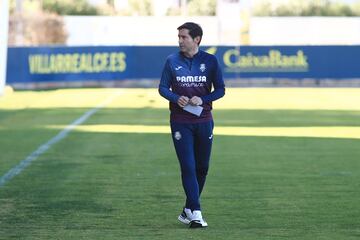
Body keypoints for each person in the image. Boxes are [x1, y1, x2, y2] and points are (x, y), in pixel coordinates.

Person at [158, 22, 225, 228]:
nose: (180, 40)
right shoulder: (171, 61)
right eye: (178, 37)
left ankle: (188, 208)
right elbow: (162, 88)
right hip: (180, 122)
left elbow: (221, 90)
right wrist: (176, 97)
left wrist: (203, 99)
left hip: (204, 120)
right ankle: (196, 213)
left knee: (202, 168)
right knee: (188, 166)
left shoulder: (210, 61)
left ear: (196, 39)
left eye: (184, 37)